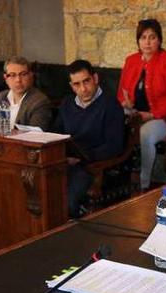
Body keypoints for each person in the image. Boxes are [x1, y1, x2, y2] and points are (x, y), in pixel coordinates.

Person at [117, 18, 166, 190]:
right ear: (138, 41)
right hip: (137, 115)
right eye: (143, 37)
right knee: (113, 122)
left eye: (152, 37)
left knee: (145, 133)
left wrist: (152, 114)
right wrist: (126, 103)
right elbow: (121, 92)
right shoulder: (131, 61)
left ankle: (143, 185)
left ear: (159, 40)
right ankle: (117, 176)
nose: (147, 42)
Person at [53, 59, 125, 217]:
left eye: (86, 81)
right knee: (44, 196)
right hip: (64, 163)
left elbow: (115, 145)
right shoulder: (66, 104)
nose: (83, 88)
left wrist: (84, 158)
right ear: (71, 86)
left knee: (66, 202)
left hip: (91, 166)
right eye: (77, 84)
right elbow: (55, 135)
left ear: (95, 79)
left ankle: (71, 238)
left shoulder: (110, 105)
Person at [0, 56, 51, 130]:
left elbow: (35, 135)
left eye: (23, 74)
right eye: (12, 75)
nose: (18, 80)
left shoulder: (39, 101)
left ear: (31, 76)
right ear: (6, 78)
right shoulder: (3, 96)